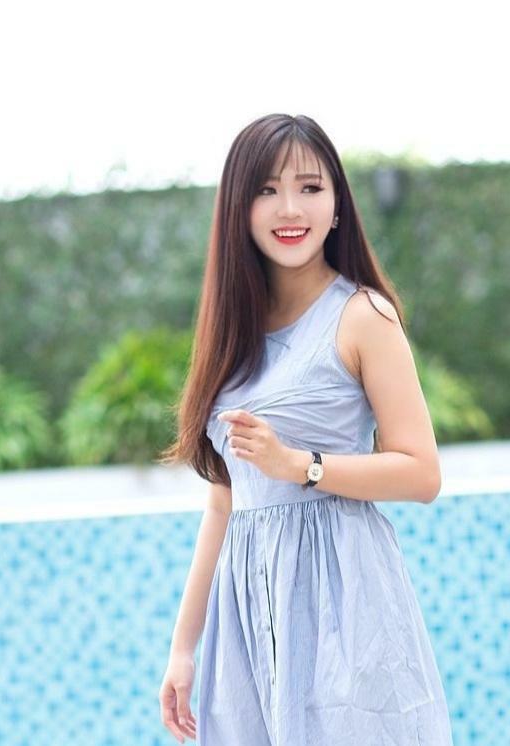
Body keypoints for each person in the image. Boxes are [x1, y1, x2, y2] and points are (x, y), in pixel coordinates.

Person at [157, 113, 454, 745]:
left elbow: (422, 473)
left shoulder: (363, 315)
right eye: (267, 189)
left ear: (338, 205)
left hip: (342, 601)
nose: (290, 208)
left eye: (310, 187)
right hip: (246, 613)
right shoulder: (232, 333)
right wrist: (183, 648)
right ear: (239, 210)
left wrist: (300, 465)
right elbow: (223, 501)